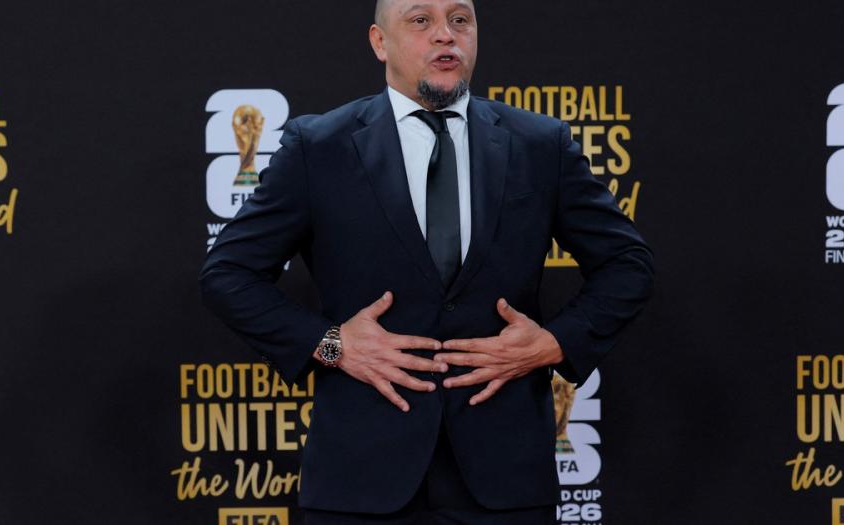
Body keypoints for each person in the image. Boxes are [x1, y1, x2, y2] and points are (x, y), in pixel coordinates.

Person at [199, 0, 654, 523]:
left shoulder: (539, 144)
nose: (445, 35)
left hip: (506, 479)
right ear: (379, 41)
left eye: (460, 20)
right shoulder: (318, 147)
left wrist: (553, 343)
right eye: (421, 21)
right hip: (361, 478)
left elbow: (627, 264)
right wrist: (332, 344)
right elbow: (228, 274)